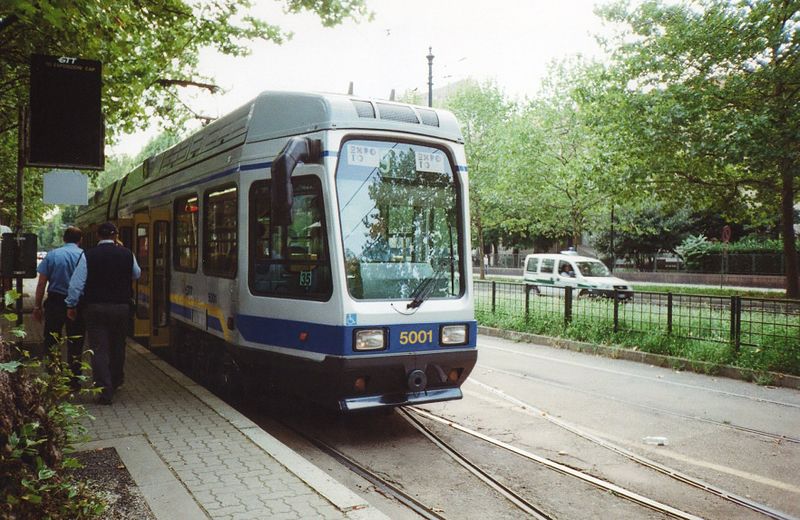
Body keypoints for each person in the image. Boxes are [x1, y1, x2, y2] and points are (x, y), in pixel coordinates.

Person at [66, 222, 141, 405]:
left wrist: (71, 305)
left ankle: (104, 391)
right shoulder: (127, 253)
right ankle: (115, 382)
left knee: (99, 349)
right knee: (118, 346)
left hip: (95, 308)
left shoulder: (88, 255)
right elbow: (137, 274)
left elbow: (77, 284)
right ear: (115, 236)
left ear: (98, 236)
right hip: (121, 308)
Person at [33, 226, 85, 390]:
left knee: (52, 340)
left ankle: (54, 376)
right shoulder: (84, 256)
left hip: (55, 302)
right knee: (76, 341)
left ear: (63, 238)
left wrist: (37, 306)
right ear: (80, 240)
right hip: (77, 304)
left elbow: (42, 283)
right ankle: (74, 379)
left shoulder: (53, 255)